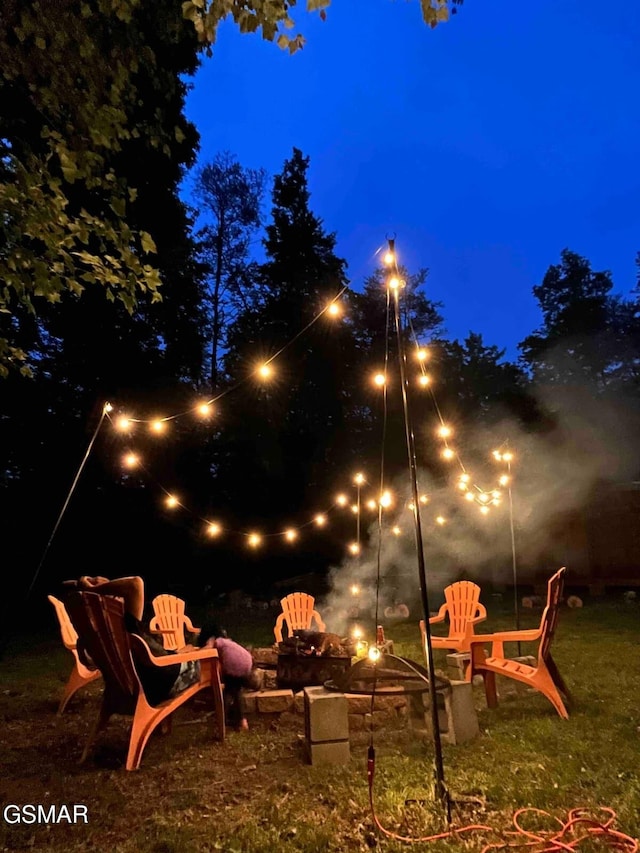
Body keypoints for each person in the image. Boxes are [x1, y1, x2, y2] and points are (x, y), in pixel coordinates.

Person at [62, 575, 200, 705]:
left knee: (188, 650)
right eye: (106, 583)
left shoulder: (96, 636)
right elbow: (135, 583)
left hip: (134, 683)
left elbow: (87, 662)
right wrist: (91, 588)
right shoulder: (123, 626)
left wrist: (83, 584)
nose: (110, 582)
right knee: (209, 654)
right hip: (160, 683)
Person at [199, 624, 261, 731]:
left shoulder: (217, 641)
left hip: (235, 667)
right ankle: (240, 720)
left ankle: (225, 720)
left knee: (229, 692)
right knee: (236, 691)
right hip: (246, 663)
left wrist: (197, 653)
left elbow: (208, 649)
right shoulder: (227, 642)